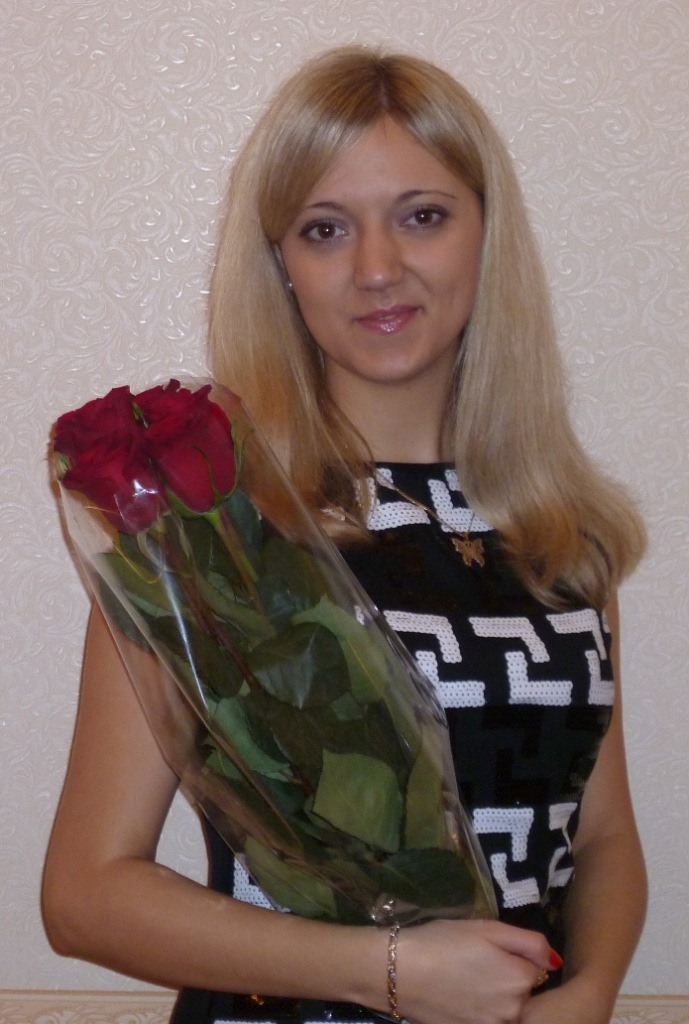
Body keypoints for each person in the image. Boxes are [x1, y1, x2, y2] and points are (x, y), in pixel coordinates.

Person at [43, 46, 647, 1024]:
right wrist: (389, 970)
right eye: (324, 229)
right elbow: (83, 895)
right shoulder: (213, 534)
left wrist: (586, 995)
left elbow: (603, 835)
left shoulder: (559, 535)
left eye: (422, 216)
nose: (376, 268)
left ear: (485, 234)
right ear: (280, 263)